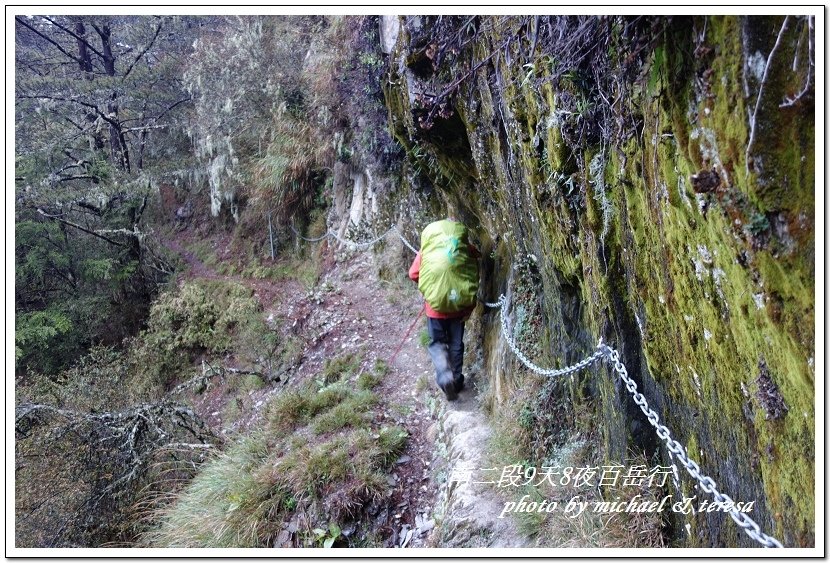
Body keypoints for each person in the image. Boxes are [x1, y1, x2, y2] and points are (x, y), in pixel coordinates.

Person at [408, 217, 480, 401]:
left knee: (437, 342)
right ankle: (456, 380)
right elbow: (476, 256)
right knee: (456, 343)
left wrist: (430, 287)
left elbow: (413, 274)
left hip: (435, 308)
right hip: (459, 306)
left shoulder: (429, 249)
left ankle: (444, 375)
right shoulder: (461, 245)